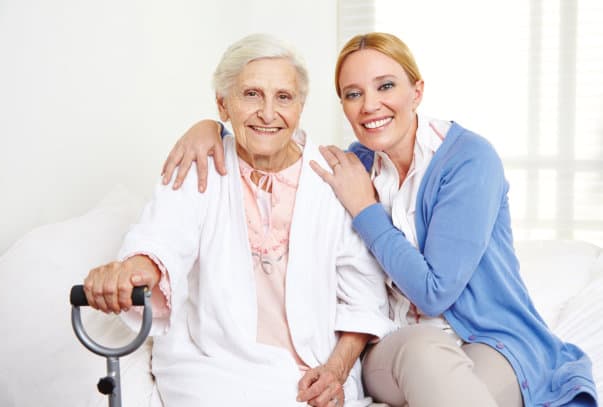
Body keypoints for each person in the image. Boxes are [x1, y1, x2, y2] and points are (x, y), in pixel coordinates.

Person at [160, 32, 598, 407]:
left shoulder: (469, 159)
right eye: (353, 94)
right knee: (425, 353)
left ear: (417, 91)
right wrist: (207, 128)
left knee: (452, 387)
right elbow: (267, 138)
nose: (370, 105)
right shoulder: (352, 164)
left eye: (385, 86)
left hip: (493, 341)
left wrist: (366, 210)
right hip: (398, 348)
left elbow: (434, 293)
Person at [83, 33, 396, 407]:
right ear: (222, 105)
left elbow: (363, 295)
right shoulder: (200, 163)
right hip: (213, 369)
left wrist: (336, 371)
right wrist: (129, 270)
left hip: (312, 374)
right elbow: (162, 239)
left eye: (283, 97)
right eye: (251, 94)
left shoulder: (333, 177)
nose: (267, 113)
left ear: (300, 106)